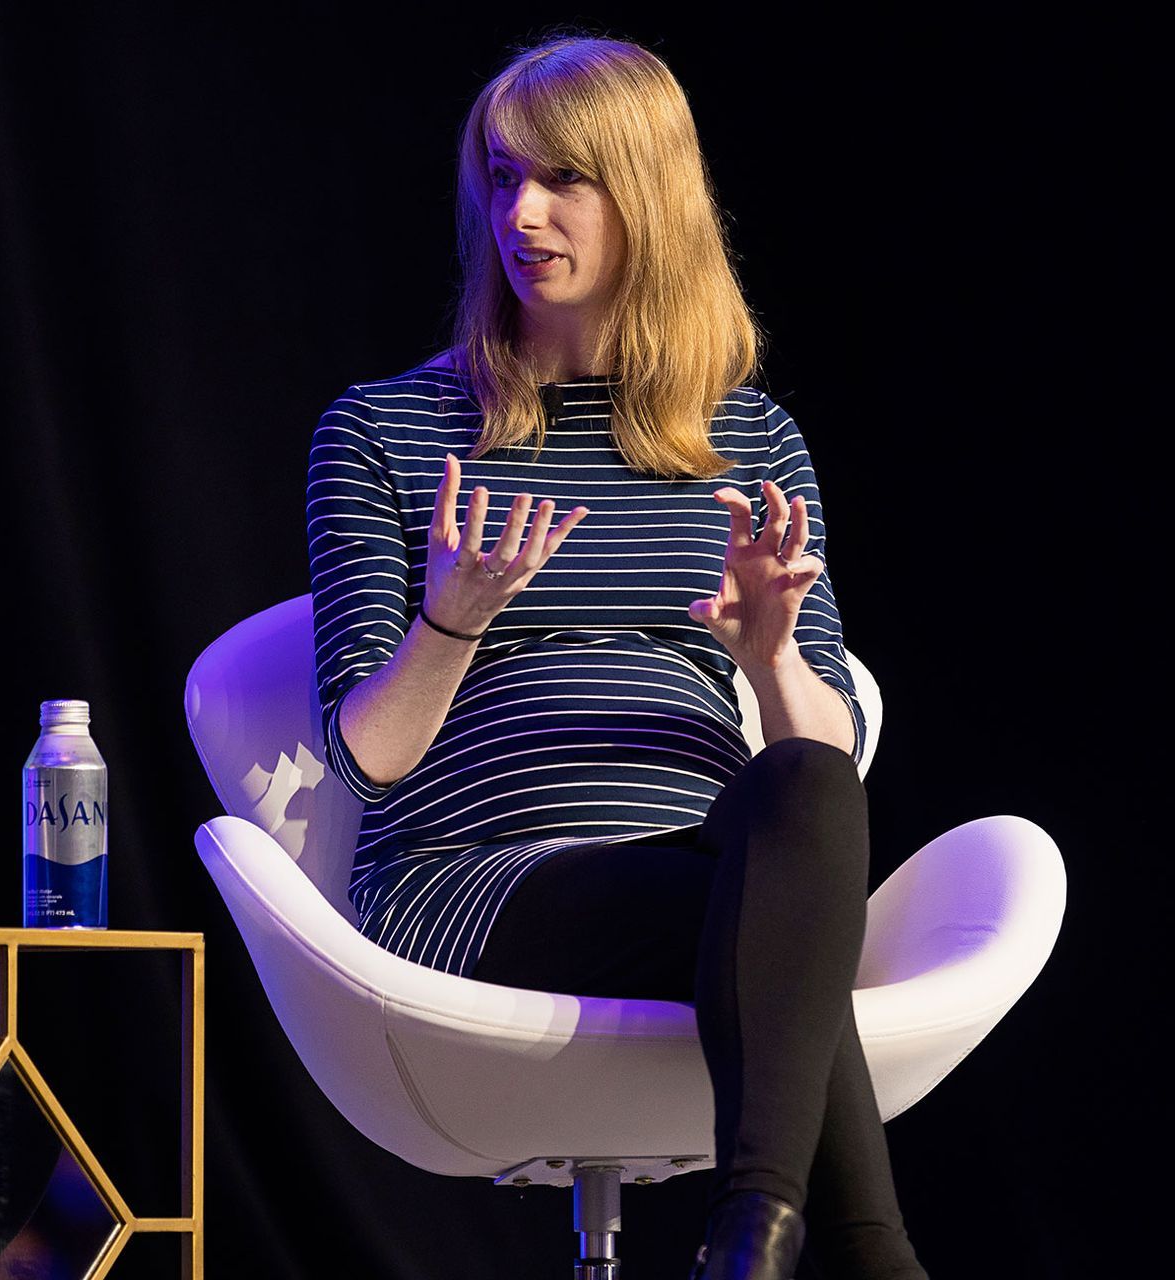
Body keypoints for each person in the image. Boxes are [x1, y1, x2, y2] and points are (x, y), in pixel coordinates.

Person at [305, 31, 927, 1280]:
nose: (520, 214)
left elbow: (822, 756)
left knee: (806, 789)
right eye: (500, 176)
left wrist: (763, 657)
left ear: (644, 194)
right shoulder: (386, 431)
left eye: (561, 181)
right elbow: (365, 758)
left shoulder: (750, 438)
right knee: (766, 928)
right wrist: (454, 620)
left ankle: (756, 1235)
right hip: (475, 881)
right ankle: (830, 1246)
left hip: (714, 865)